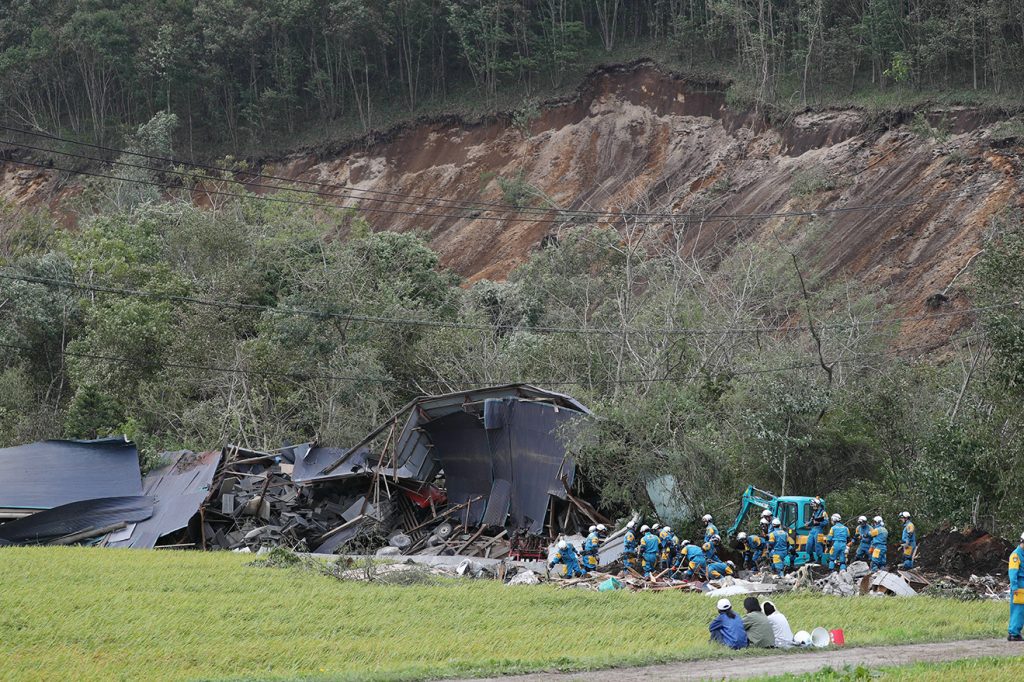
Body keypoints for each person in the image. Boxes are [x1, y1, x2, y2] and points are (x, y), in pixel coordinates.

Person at [1009, 531, 1024, 641]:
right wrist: (1014, 587)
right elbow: (1013, 572)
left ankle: (1016, 632)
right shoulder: (1016, 555)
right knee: (1018, 610)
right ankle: (1014, 633)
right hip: (1019, 587)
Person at [806, 497, 829, 565]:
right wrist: (808, 523)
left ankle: (819, 559)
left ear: (817, 505)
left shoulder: (823, 512)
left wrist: (819, 523)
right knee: (809, 544)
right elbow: (811, 521)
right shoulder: (814, 512)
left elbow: (826, 522)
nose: (813, 507)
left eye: (814, 505)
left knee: (818, 545)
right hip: (813, 529)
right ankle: (811, 557)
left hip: (819, 530)